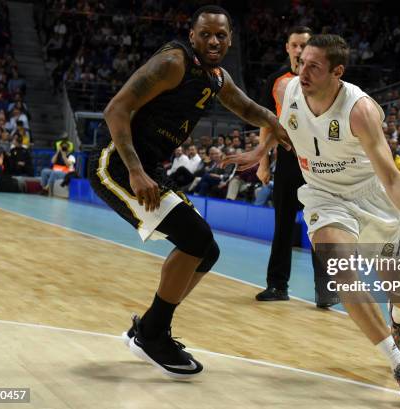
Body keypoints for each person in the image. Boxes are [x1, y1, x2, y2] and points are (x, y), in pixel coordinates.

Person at [225, 34, 400, 402]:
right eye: (302, 62)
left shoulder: (360, 110)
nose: (303, 71)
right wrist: (260, 151)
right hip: (323, 193)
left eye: (313, 66)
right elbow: (280, 123)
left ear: (337, 72)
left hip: (373, 196)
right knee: (341, 267)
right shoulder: (287, 88)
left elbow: (392, 177)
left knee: (392, 283)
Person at [88, 6, 290, 379]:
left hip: (149, 171)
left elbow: (245, 106)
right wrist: (134, 171)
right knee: (196, 238)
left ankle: (148, 327)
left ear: (230, 39)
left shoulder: (215, 77)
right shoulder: (173, 62)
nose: (214, 41)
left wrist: (276, 125)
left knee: (206, 251)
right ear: (193, 35)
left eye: (221, 35)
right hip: (117, 167)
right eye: (206, 34)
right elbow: (115, 108)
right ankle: (152, 334)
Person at [255, 26, 332, 306]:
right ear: (287, 47)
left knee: (321, 227)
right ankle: (277, 286)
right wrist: (263, 162)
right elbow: (267, 123)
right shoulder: (277, 81)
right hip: (287, 159)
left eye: (305, 45)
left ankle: (326, 292)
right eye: (295, 45)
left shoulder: (324, 80)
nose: (300, 50)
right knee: (283, 225)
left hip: (319, 161)